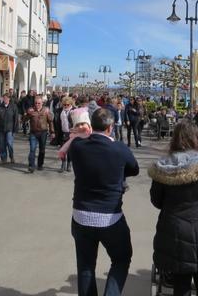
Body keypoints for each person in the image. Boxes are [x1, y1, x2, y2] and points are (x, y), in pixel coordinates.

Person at [149, 120, 198, 296]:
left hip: (174, 230)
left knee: (181, 281)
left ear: (174, 138)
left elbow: (156, 200)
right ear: (196, 137)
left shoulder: (164, 167)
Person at [69, 108, 140, 295]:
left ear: (92, 126)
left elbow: (68, 147)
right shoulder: (119, 149)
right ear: (110, 127)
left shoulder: (77, 147)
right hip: (110, 217)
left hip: (81, 215)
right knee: (122, 258)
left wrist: (80, 134)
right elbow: (134, 169)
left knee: (85, 266)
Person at [24, 96, 55, 173]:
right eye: (36, 103)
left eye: (39, 103)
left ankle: (40, 164)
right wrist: (27, 114)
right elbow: (24, 120)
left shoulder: (46, 110)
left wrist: (52, 132)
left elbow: (50, 122)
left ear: (42, 103)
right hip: (33, 133)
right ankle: (31, 165)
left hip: (43, 132)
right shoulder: (31, 110)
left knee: (42, 150)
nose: (37, 104)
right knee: (32, 149)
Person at [0, 94, 18, 163]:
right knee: (2, 145)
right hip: (1, 128)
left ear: (9, 99)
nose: (5, 99)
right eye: (4, 98)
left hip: (10, 129)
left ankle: (11, 157)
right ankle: (3, 159)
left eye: (6, 98)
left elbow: (16, 119)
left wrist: (15, 130)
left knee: (9, 143)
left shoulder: (13, 107)